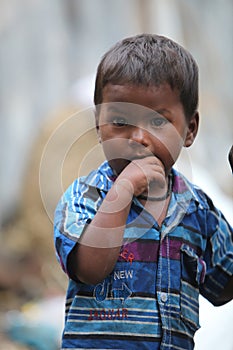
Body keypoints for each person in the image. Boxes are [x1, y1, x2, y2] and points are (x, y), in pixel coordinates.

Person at [54, 34, 233, 349]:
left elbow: (224, 287)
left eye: (157, 121)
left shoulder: (198, 210)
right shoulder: (85, 197)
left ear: (189, 130)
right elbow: (89, 269)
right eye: (120, 121)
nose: (138, 137)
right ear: (98, 126)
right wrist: (121, 192)